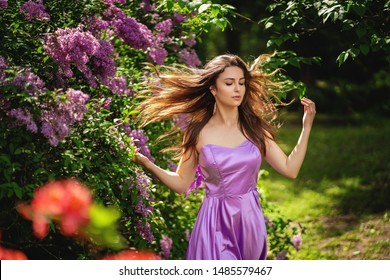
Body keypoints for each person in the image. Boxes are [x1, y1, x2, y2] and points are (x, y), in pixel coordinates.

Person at [134, 53, 316, 260]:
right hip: (215, 222)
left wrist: (306, 127)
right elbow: (183, 183)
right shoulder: (198, 132)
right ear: (213, 88)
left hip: (250, 221)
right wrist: (148, 164)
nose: (238, 89)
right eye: (229, 83)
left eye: (241, 83)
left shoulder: (254, 129)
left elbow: (290, 169)